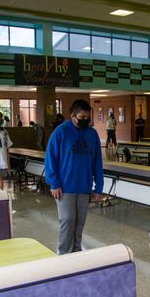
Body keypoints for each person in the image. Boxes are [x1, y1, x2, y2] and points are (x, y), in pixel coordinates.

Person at [44, 99, 103, 255]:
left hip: (84, 187)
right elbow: (50, 159)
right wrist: (54, 183)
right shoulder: (61, 131)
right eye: (82, 117)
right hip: (65, 188)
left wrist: (99, 187)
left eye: (87, 118)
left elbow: (97, 161)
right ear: (72, 116)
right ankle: (63, 254)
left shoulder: (92, 134)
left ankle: (76, 252)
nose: (85, 121)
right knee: (67, 221)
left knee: (79, 223)